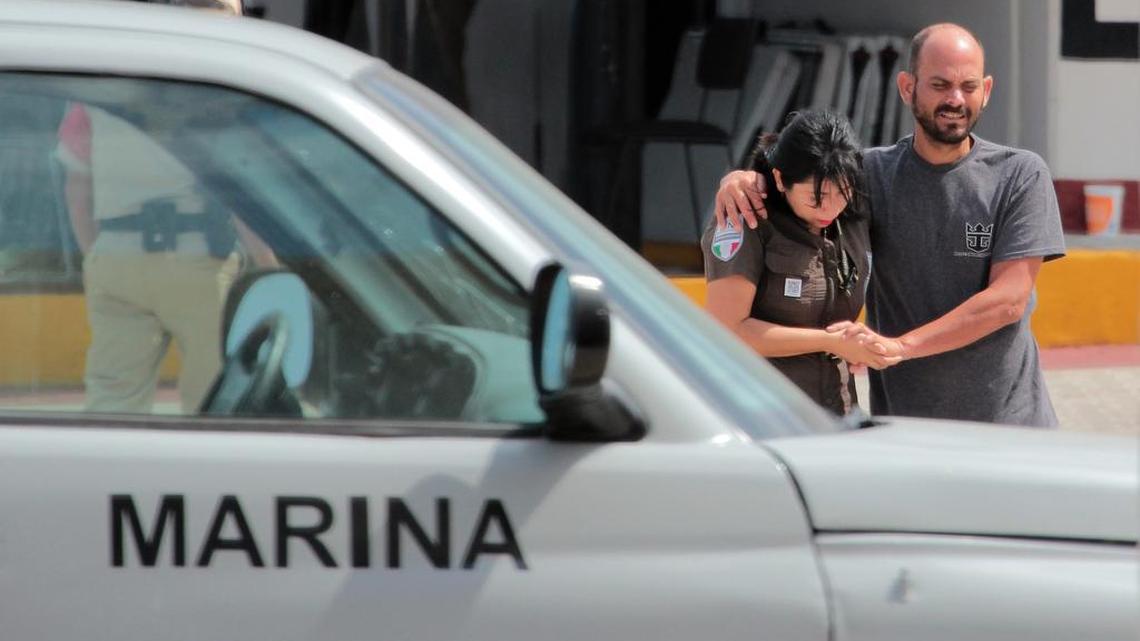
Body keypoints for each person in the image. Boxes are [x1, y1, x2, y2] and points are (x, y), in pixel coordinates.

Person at [714, 23, 1065, 427]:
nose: (955, 99)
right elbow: (801, 179)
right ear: (906, 87)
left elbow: (1008, 301)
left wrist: (901, 347)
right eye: (939, 84)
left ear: (986, 89)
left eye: (968, 86)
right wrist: (745, 179)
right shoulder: (870, 175)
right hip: (906, 429)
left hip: (1009, 427)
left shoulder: (1020, 175)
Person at [56, 0, 275, 413]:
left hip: (116, 257)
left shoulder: (96, 89)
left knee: (112, 399)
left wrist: (97, 257)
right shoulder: (218, 91)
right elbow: (237, 195)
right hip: (197, 260)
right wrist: (269, 267)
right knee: (211, 399)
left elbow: (76, 189)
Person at [702, 110, 895, 416]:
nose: (830, 207)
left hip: (839, 413)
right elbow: (727, 330)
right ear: (780, 179)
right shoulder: (745, 217)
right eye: (815, 198)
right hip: (761, 417)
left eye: (841, 193)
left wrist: (860, 342)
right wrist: (832, 342)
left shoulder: (855, 215)